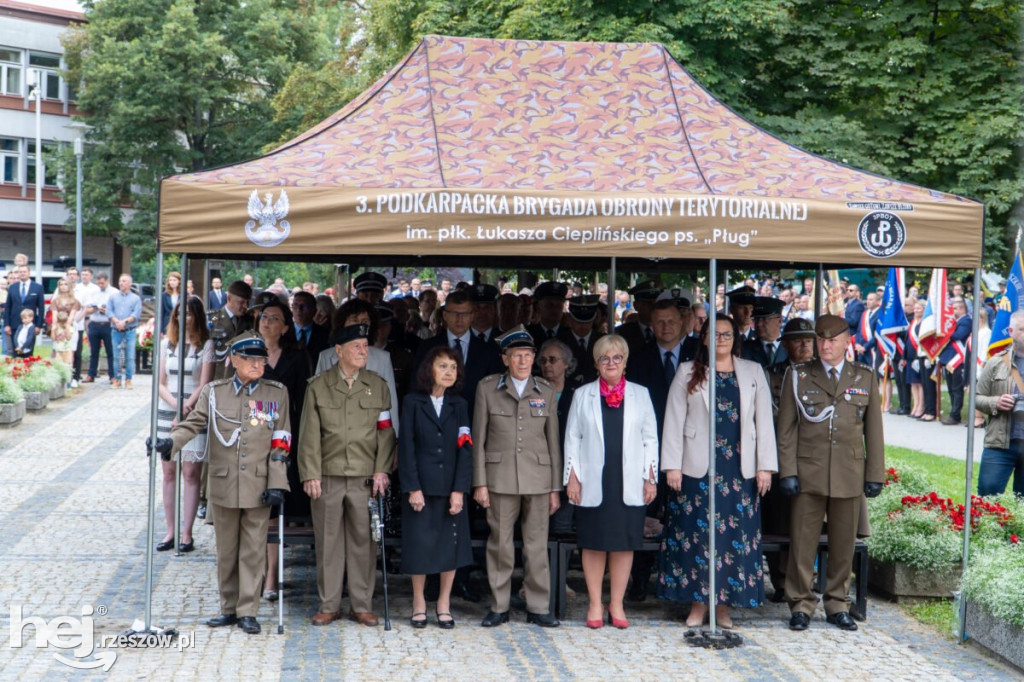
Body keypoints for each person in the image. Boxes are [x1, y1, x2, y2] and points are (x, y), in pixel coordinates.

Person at [150, 332, 291, 635]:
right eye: (251, 359)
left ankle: (248, 610)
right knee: (226, 550)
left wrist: (278, 482)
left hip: (259, 483)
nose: (258, 364)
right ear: (235, 360)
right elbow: (194, 423)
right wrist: (170, 443)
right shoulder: (214, 392)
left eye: (261, 358)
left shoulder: (276, 393)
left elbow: (282, 441)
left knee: (253, 550)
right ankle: (228, 607)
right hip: (224, 483)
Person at [659, 315, 777, 628]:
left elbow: (764, 423)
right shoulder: (687, 371)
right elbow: (672, 421)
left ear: (735, 338)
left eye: (727, 334)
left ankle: (723, 607)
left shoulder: (752, 372)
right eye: (715, 334)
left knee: (732, 538)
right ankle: (697, 604)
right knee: (697, 537)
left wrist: (766, 466)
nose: (721, 339)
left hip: (740, 470)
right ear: (705, 337)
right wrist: (672, 465)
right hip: (696, 467)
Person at [776, 315, 884, 633]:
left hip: (849, 472)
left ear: (847, 341)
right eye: (820, 340)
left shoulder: (864, 376)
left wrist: (874, 472)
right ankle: (801, 604)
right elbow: (786, 428)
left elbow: (874, 430)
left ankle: (837, 602)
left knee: (843, 544)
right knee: (803, 542)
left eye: (832, 340)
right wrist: (788, 471)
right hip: (808, 471)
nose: (825, 345)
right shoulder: (798, 375)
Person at [299, 323, 396, 627]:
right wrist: (310, 474)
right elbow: (309, 436)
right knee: (328, 541)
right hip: (327, 476)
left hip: (364, 477)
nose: (363, 352)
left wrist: (382, 468)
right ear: (338, 352)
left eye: (366, 346)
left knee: (363, 542)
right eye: (357, 347)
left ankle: (361, 604)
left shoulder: (377, 386)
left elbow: (386, 433)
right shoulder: (318, 386)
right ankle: (329, 604)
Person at [564, 334, 658, 629]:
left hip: (628, 480)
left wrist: (650, 477)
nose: (611, 363)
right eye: (605, 358)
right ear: (596, 363)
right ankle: (594, 603)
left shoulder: (641, 394)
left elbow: (650, 438)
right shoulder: (582, 395)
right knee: (593, 543)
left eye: (617, 357)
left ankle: (616, 603)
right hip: (594, 479)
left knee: (623, 544)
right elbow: (572, 438)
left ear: (625, 361)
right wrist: (573, 478)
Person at [472, 325, 562, 627]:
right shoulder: (487, 389)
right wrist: (480, 482)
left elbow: (554, 443)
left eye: (528, 355)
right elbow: (479, 438)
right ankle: (499, 606)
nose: (523, 361)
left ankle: (538, 606)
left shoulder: (545, 392)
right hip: (499, 478)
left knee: (537, 546)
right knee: (500, 544)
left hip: (538, 479)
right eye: (517, 356)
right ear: (505, 359)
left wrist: (554, 487)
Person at [399, 346, 474, 629]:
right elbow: (406, 447)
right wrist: (412, 487)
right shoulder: (412, 402)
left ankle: (444, 603)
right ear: (429, 369)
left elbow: (465, 448)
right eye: (443, 366)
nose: (448, 372)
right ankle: (419, 602)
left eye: (453, 368)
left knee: (449, 547)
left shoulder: (460, 405)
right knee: (420, 545)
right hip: (421, 487)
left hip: (450, 487)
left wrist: (460, 490)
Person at [257, 298, 312, 600]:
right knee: (256, 510)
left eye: (274, 318)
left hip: (285, 439)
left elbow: (304, 403)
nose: (267, 322)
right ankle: (256, 575)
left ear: (286, 327)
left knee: (277, 511)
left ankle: (271, 578)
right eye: (264, 317)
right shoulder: (248, 353)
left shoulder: (296, 356)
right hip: (253, 440)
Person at [155, 297, 214, 553]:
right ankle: (170, 531)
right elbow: (160, 382)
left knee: (190, 473)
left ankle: (187, 533)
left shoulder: (206, 346)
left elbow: (205, 383)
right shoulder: (166, 344)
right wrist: (176, 407)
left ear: (197, 317)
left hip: (194, 410)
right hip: (167, 411)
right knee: (168, 472)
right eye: (180, 313)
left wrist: (186, 407)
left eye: (189, 314)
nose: (184, 318)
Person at [974, 309, 1024, 496]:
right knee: (988, 497)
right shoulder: (996, 362)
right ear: (1010, 332)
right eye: (1022, 329)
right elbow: (977, 398)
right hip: (1000, 443)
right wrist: (996, 402)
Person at [538, 338, 579, 538]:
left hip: (568, 468)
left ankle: (559, 570)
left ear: (566, 363)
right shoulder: (533, 390)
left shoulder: (578, 392)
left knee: (562, 528)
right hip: (539, 469)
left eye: (552, 360)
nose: (547, 365)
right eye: (543, 360)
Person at [207, 280, 254, 381]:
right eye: (241, 302)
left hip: (244, 381)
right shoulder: (212, 320)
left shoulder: (251, 322)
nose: (246, 306)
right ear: (229, 298)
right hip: (218, 379)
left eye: (247, 302)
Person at [940, 297, 972, 425]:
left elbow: (959, 335)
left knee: (957, 388)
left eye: (954, 308)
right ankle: (953, 413)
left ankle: (955, 414)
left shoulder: (966, 321)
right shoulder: (954, 322)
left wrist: (944, 332)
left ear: (961, 308)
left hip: (958, 359)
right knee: (951, 388)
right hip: (949, 359)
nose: (952, 311)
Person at [108, 274, 142, 389]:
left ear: (129, 284)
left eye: (124, 281)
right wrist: (117, 322)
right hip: (116, 330)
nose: (121, 283)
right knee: (116, 356)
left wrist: (124, 322)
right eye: (120, 281)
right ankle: (117, 379)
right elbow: (109, 311)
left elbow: (136, 314)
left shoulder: (135, 298)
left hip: (130, 330)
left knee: (130, 356)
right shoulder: (113, 297)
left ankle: (128, 379)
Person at [4, 264, 44, 354]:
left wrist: (38, 325)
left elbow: (41, 308)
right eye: (20, 272)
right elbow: (8, 307)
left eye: (24, 271)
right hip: (14, 324)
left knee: (28, 352)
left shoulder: (38, 287)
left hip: (30, 325)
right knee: (16, 352)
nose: (22, 273)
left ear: (29, 273)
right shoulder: (12, 287)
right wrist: (6, 324)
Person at [82, 273, 115, 383]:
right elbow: (87, 308)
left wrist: (107, 311)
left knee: (110, 351)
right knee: (94, 351)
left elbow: (117, 309)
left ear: (107, 281)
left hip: (108, 324)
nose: (100, 285)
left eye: (102, 283)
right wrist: (94, 309)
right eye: (99, 283)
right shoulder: (93, 292)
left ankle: (112, 375)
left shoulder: (114, 292)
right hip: (95, 323)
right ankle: (91, 374)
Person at [742, 296, 787, 367]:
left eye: (764, 319)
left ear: (779, 320)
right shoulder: (744, 350)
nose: (759, 324)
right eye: (756, 319)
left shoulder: (791, 347)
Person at [292, 291, 330, 361]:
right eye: (295, 305)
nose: (299, 310)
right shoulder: (283, 332)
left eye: (304, 306)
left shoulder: (325, 335)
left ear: (314, 311)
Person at [160, 271, 182, 335]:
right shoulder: (164, 295)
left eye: (174, 280)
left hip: (179, 322)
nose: (172, 282)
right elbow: (161, 312)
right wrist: (161, 330)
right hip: (167, 323)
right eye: (170, 280)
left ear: (179, 281)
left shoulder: (183, 294)